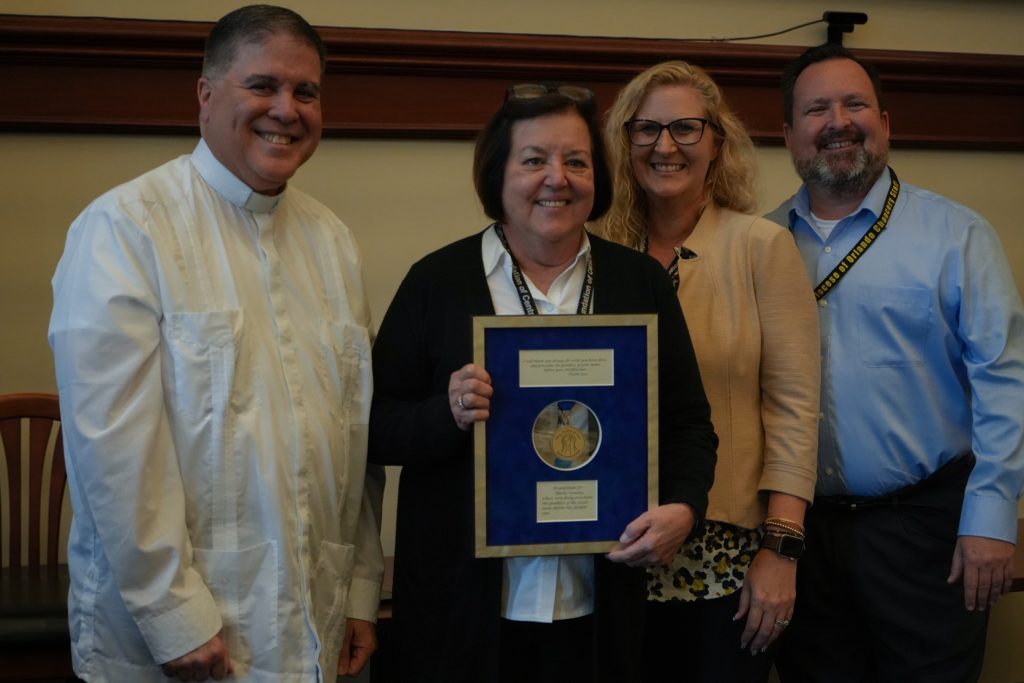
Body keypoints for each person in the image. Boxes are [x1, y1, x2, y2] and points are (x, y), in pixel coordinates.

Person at [47, 6, 384, 681]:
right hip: (182, 638)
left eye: (306, 91)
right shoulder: (125, 228)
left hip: (313, 624)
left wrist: (358, 590)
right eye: (262, 85)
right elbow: (114, 449)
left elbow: (352, 439)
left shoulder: (332, 240)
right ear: (206, 95)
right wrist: (173, 615)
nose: (286, 109)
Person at [368, 82, 718, 682]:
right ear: (497, 174)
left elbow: (688, 424)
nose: (557, 178)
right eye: (534, 160)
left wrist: (684, 507)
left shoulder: (639, 284)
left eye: (576, 161)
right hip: (463, 613)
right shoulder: (437, 282)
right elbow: (373, 428)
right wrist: (444, 413)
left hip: (597, 608)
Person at [767, 43, 1024, 683]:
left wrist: (992, 518)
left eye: (855, 104)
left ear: (885, 123)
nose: (838, 121)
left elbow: (1006, 380)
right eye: (817, 108)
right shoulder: (761, 244)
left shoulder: (956, 235)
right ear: (788, 134)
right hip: (801, 536)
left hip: (926, 532)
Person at [598, 61, 820, 681]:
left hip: (728, 554)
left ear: (718, 141)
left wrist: (781, 551)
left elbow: (795, 408)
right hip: (613, 547)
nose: (664, 146)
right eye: (646, 130)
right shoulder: (595, 254)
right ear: (625, 143)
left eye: (685, 129)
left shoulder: (761, 247)